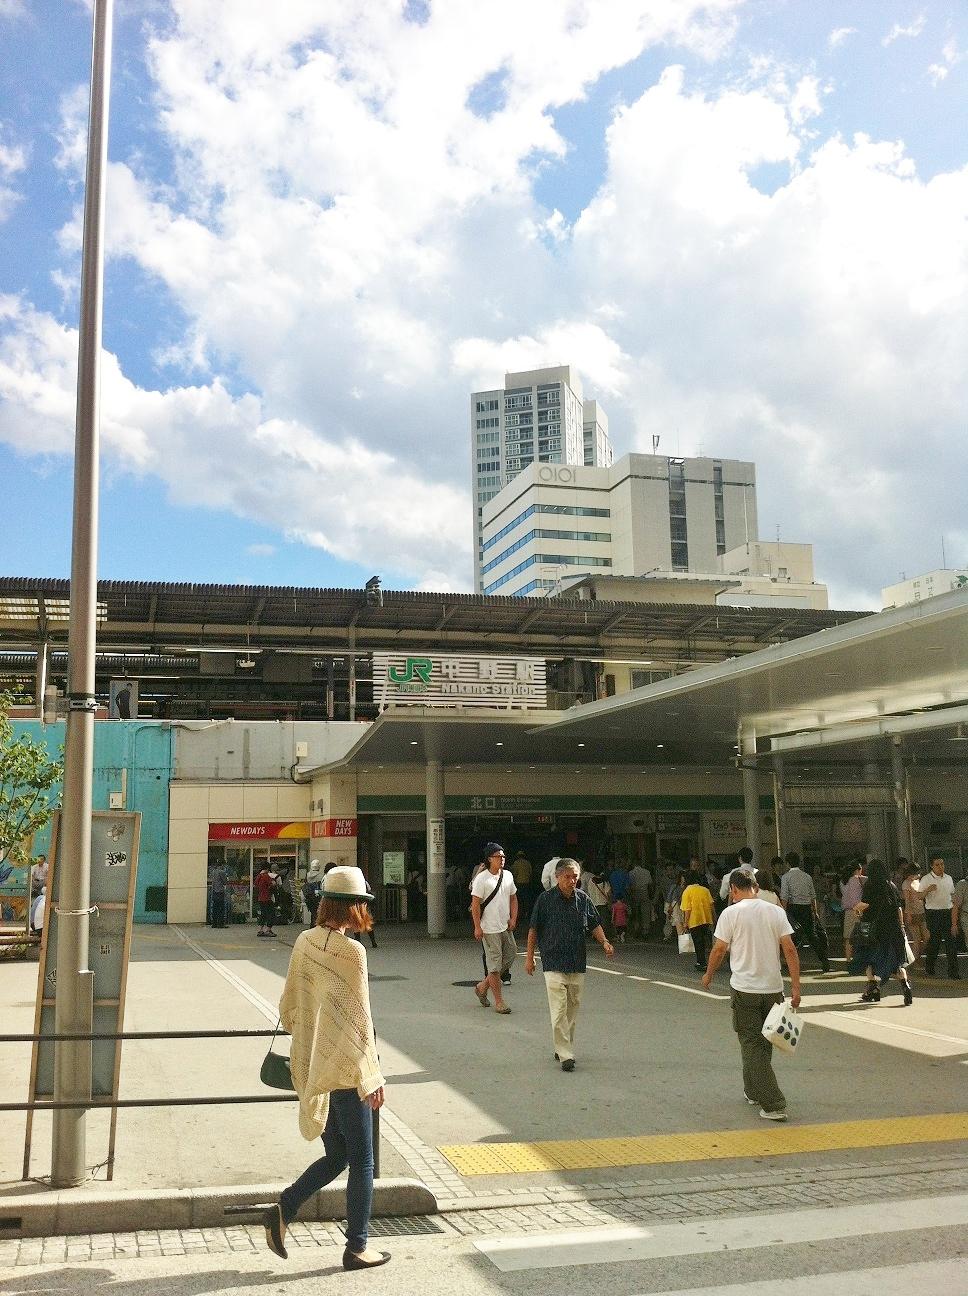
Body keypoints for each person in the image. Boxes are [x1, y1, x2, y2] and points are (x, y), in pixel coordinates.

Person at [264, 865, 389, 1272]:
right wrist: (372, 1077)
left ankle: (284, 1207)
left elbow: (291, 1006)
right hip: (348, 1072)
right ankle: (357, 1246)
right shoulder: (352, 953)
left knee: (338, 1155)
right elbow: (361, 1023)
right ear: (355, 908)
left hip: (320, 1064)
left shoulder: (305, 942)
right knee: (364, 1160)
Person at [702, 870, 801, 1122]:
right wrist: (796, 988)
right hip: (773, 989)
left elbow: (719, 949)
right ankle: (753, 1090)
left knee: (750, 1042)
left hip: (745, 989)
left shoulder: (730, 913)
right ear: (755, 887)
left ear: (734, 889)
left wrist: (709, 975)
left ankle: (773, 1103)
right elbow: (789, 949)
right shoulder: (775, 911)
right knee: (763, 1041)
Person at [526, 858, 614, 1071]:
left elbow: (594, 924)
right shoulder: (545, 900)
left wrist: (605, 942)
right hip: (553, 961)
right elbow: (533, 930)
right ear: (557, 877)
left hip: (577, 961)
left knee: (572, 1010)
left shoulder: (583, 899)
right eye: (568, 877)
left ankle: (563, 1045)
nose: (572, 880)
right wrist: (530, 957)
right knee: (558, 1010)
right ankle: (566, 1055)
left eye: (575, 876)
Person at [848, 858, 913, 1005]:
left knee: (869, 958)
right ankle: (905, 986)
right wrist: (901, 926)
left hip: (873, 931)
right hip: (893, 929)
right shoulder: (892, 886)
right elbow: (899, 909)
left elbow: (865, 904)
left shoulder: (870, 886)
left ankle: (873, 989)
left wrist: (856, 909)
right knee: (896, 962)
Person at [471, 843, 517, 1014]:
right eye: (498, 856)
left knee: (511, 955)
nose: (502, 859)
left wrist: (513, 918)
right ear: (489, 859)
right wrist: (477, 927)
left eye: (504, 856)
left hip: (504, 926)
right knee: (495, 966)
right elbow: (475, 905)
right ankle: (499, 1002)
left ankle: (482, 986)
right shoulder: (482, 879)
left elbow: (513, 898)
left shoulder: (508, 876)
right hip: (489, 929)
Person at [780, 853, 830, 973]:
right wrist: (815, 911)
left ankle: (791, 963)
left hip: (793, 909)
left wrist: (783, 913)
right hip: (807, 908)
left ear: (787, 864)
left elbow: (785, 897)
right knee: (812, 936)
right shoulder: (807, 877)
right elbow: (813, 896)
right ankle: (824, 961)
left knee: (791, 937)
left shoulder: (786, 877)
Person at [920, 856, 959, 979]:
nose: (940, 867)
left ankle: (953, 972)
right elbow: (919, 896)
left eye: (942, 864)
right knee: (934, 942)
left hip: (947, 912)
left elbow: (952, 895)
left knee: (951, 943)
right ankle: (930, 967)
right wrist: (928, 890)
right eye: (937, 865)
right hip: (934, 913)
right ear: (932, 866)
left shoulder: (949, 878)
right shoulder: (926, 879)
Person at [680, 867, 715, 972]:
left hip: (694, 920)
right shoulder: (705, 890)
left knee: (698, 942)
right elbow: (711, 905)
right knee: (704, 941)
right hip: (706, 918)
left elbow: (687, 909)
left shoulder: (687, 891)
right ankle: (705, 961)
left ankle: (701, 962)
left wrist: (685, 923)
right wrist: (715, 918)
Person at [900, 862, 928, 961]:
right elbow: (907, 901)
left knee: (926, 936)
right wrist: (908, 915)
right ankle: (916, 959)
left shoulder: (917, 881)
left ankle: (917, 955)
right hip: (912, 912)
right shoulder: (906, 884)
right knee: (916, 938)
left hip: (921, 911)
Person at [840, 861, 866, 961]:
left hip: (847, 911)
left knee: (848, 937)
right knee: (862, 936)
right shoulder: (856, 879)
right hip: (858, 909)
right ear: (857, 870)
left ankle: (848, 959)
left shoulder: (843, 881)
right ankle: (861, 959)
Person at [628, 861, 654, 939]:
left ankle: (637, 928)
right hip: (645, 892)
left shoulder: (631, 873)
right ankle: (646, 929)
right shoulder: (647, 872)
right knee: (645, 911)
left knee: (636, 912)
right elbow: (650, 884)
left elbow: (630, 885)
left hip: (635, 892)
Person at [255, 863, 277, 938]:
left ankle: (261, 930)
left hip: (260, 898)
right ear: (267, 868)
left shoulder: (258, 876)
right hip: (267, 897)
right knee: (271, 913)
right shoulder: (266, 876)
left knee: (263, 914)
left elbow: (256, 885)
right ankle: (268, 930)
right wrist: (273, 883)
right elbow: (273, 884)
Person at [303, 860, 323, 926]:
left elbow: (305, 883)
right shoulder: (320, 875)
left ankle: (312, 925)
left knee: (313, 912)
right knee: (317, 912)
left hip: (309, 895)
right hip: (317, 895)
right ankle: (315, 925)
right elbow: (321, 886)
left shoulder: (308, 874)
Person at [209, 863, 227, 928]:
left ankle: (214, 923)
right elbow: (225, 882)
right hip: (220, 892)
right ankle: (220, 924)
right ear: (222, 865)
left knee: (215, 908)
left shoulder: (213, 871)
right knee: (221, 908)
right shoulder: (222, 872)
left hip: (214, 891)